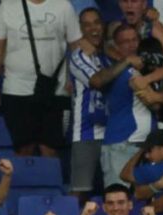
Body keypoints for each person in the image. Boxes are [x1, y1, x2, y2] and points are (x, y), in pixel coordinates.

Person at [0, 0, 81, 157]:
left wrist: (74, 78)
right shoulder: (7, 6)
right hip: (16, 89)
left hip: (56, 90)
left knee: (50, 148)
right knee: (23, 148)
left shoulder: (64, 6)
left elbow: (75, 46)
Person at [95, 24, 155, 186]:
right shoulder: (116, 71)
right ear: (116, 47)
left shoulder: (145, 70)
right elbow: (155, 104)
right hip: (122, 144)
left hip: (142, 145)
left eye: (135, 39)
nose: (132, 45)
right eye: (125, 42)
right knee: (119, 199)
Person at [69, 7, 108, 199]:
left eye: (97, 23)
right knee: (80, 190)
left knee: (113, 190)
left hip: (112, 132)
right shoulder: (78, 57)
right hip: (85, 132)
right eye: (87, 24)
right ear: (81, 30)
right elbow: (97, 81)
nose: (93, 28)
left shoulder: (107, 56)